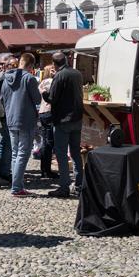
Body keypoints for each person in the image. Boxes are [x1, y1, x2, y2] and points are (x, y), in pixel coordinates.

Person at [0, 52, 41, 197]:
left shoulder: (6, 78)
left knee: (15, 153)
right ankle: (17, 188)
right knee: (23, 153)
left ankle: (17, 185)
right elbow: (37, 99)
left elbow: (2, 99)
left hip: (11, 119)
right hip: (26, 120)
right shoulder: (29, 78)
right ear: (31, 65)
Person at [46, 51, 84, 198]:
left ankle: (64, 186)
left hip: (62, 120)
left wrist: (44, 94)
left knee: (61, 155)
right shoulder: (77, 74)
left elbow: (52, 98)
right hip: (77, 118)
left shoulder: (59, 76)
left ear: (54, 63)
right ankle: (79, 185)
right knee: (75, 153)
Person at [38, 64, 56, 179]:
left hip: (42, 111)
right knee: (49, 142)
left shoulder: (42, 82)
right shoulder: (51, 82)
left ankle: (44, 169)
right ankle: (46, 170)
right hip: (49, 111)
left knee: (44, 141)